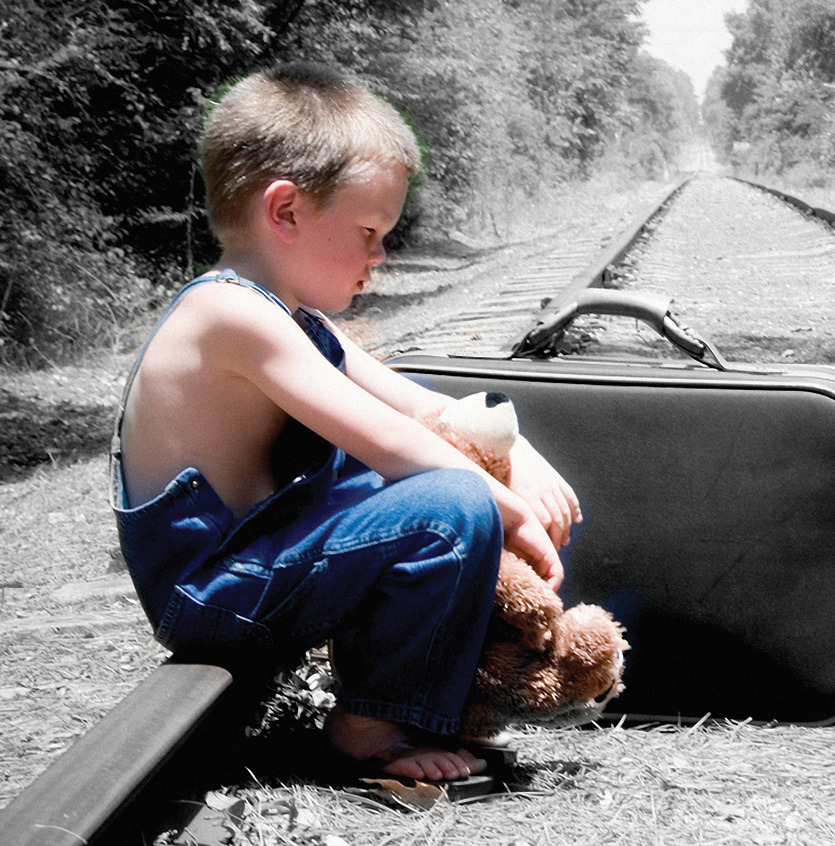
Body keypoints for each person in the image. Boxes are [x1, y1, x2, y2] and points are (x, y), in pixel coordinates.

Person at [109, 62, 581, 784]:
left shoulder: (289, 319)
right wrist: (507, 512)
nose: (379, 257)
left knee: (435, 475)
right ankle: (370, 723)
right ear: (287, 211)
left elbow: (422, 408)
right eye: (367, 230)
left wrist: (523, 455)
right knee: (448, 502)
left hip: (252, 572)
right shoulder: (230, 315)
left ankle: (403, 690)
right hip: (211, 596)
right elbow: (391, 442)